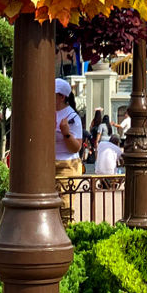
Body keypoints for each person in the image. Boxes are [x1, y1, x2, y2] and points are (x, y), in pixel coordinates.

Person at [54, 78, 83, 223]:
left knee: (65, 206)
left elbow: (76, 146)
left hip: (67, 165)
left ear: (61, 96)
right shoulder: (48, 112)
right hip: (49, 164)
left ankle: (67, 239)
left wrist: (66, 133)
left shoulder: (72, 117)